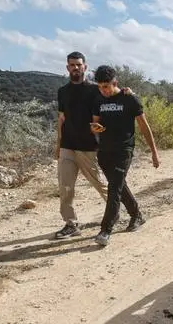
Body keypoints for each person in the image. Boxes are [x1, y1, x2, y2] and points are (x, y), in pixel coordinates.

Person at [54, 51, 132, 240]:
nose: (76, 68)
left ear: (85, 67)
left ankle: (114, 213)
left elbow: (111, 96)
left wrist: (127, 92)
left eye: (79, 65)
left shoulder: (94, 90)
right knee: (65, 187)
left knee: (102, 186)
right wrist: (57, 145)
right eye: (72, 65)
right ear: (67, 68)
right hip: (67, 146)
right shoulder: (62, 91)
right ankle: (71, 224)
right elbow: (61, 119)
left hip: (89, 148)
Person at [89, 64, 160, 247]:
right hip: (104, 152)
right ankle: (137, 215)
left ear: (115, 82)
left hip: (123, 150)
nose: (103, 90)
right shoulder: (98, 100)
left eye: (106, 86)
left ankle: (106, 230)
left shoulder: (130, 99)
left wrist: (154, 152)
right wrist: (95, 129)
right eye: (100, 86)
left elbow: (144, 126)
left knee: (114, 189)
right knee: (118, 185)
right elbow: (94, 124)